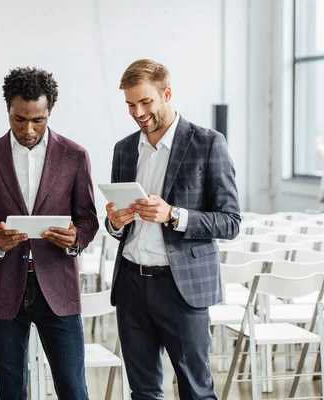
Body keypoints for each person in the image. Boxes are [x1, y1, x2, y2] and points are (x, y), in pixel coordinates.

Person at [106, 59, 241, 399]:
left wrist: (173, 215)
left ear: (166, 94)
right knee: (143, 392)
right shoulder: (124, 149)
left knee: (196, 390)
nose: (137, 112)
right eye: (130, 104)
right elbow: (117, 225)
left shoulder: (208, 144)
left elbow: (230, 221)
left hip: (181, 289)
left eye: (145, 101)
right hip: (132, 285)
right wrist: (114, 222)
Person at [0, 67, 99, 399]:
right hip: (5, 287)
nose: (27, 129)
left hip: (58, 286)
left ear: (50, 111)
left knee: (72, 386)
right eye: (19, 119)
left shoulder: (74, 156)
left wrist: (76, 238)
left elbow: (88, 219)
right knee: (11, 389)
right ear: (8, 110)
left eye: (37, 120)